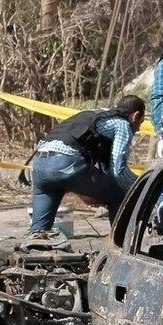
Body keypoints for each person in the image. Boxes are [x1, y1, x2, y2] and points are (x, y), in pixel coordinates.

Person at [27, 95, 146, 238]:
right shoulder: (122, 124)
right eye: (141, 122)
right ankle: (121, 247)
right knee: (119, 196)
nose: (139, 129)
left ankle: (33, 249)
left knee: (38, 233)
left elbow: (107, 172)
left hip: (40, 165)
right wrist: (145, 187)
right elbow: (119, 171)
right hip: (67, 164)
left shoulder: (94, 115)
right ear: (136, 115)